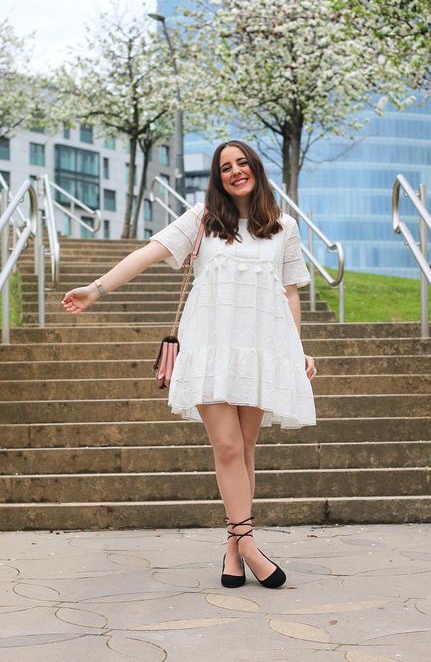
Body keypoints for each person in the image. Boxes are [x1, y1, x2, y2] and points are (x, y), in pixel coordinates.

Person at [61, 139, 317, 590]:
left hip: (260, 348)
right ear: (217, 178)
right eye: (225, 167)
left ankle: (233, 552)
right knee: (228, 447)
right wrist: (95, 289)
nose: (235, 171)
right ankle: (250, 546)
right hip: (210, 348)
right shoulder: (202, 221)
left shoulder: (284, 227)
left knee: (246, 449)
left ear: (255, 168)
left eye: (242, 163)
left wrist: (296, 353)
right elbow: (149, 253)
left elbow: (291, 291)